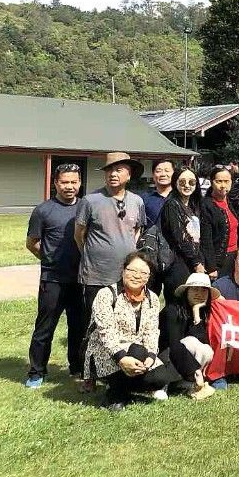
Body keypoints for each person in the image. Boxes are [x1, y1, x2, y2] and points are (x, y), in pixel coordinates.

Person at [74, 152, 147, 378]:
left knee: (121, 325)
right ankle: (88, 374)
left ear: (129, 174)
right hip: (95, 274)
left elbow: (138, 230)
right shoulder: (90, 201)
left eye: (118, 170)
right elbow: (79, 234)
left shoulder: (137, 201)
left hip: (125, 277)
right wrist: (94, 255)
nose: (113, 174)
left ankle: (114, 371)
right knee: (92, 326)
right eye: (109, 170)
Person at [81, 252, 179, 411]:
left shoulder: (152, 298)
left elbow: (152, 332)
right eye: (132, 271)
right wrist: (121, 358)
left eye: (143, 273)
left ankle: (122, 389)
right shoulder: (106, 295)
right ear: (123, 270)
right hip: (105, 352)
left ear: (148, 277)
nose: (137, 276)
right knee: (138, 352)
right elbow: (106, 333)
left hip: (138, 353)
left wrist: (152, 356)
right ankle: (115, 393)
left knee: (161, 377)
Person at [25, 163, 84, 388]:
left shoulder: (85, 207)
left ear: (79, 183)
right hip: (52, 280)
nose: (69, 186)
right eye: (64, 182)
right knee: (45, 328)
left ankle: (77, 367)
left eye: (74, 182)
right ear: (55, 183)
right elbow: (32, 243)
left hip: (80, 279)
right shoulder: (43, 210)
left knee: (78, 327)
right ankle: (36, 372)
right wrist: (49, 260)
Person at [160, 272, 220, 401]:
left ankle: (184, 382)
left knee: (205, 349)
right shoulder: (172, 310)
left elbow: (201, 339)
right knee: (190, 342)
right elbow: (173, 344)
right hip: (162, 355)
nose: (199, 293)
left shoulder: (203, 312)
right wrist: (195, 371)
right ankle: (164, 384)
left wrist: (196, 312)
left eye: (204, 290)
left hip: (183, 359)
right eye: (195, 289)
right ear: (186, 291)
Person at [160, 166, 211, 297]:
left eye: (192, 182)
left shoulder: (194, 206)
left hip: (192, 261)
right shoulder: (172, 204)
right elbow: (179, 238)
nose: (187, 186)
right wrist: (196, 263)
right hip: (178, 262)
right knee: (178, 302)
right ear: (175, 183)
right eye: (182, 182)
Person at [202, 165, 239, 281]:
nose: (223, 185)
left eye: (226, 181)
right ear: (211, 182)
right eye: (219, 181)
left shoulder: (231, 202)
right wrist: (211, 266)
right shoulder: (206, 205)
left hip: (234, 255)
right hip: (218, 259)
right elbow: (206, 239)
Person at [143, 159, 175, 229]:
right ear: (153, 175)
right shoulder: (144, 198)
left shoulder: (180, 197)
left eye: (167, 171)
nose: (163, 174)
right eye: (158, 171)